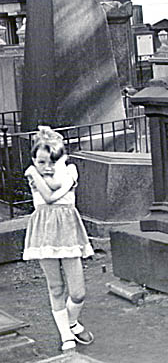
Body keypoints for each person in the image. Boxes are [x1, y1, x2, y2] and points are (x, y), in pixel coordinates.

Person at [23, 126, 94, 352]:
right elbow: (46, 197)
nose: (46, 167)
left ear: (62, 158)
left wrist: (45, 170)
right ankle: (66, 335)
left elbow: (52, 192)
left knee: (78, 292)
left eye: (52, 161)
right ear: (34, 159)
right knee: (55, 287)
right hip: (44, 233)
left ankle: (72, 321)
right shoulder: (33, 174)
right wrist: (35, 173)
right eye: (40, 162)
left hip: (68, 232)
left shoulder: (70, 170)